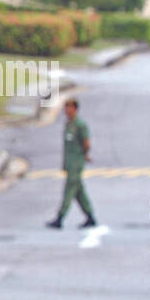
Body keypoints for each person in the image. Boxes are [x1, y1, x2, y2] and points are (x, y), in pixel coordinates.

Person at [47, 98, 96, 228]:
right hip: (70, 163)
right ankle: (90, 216)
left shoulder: (80, 125)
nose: (66, 111)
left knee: (69, 191)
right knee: (79, 192)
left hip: (76, 164)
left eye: (69, 108)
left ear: (75, 109)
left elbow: (86, 143)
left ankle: (60, 218)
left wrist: (84, 155)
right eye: (65, 108)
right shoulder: (69, 124)